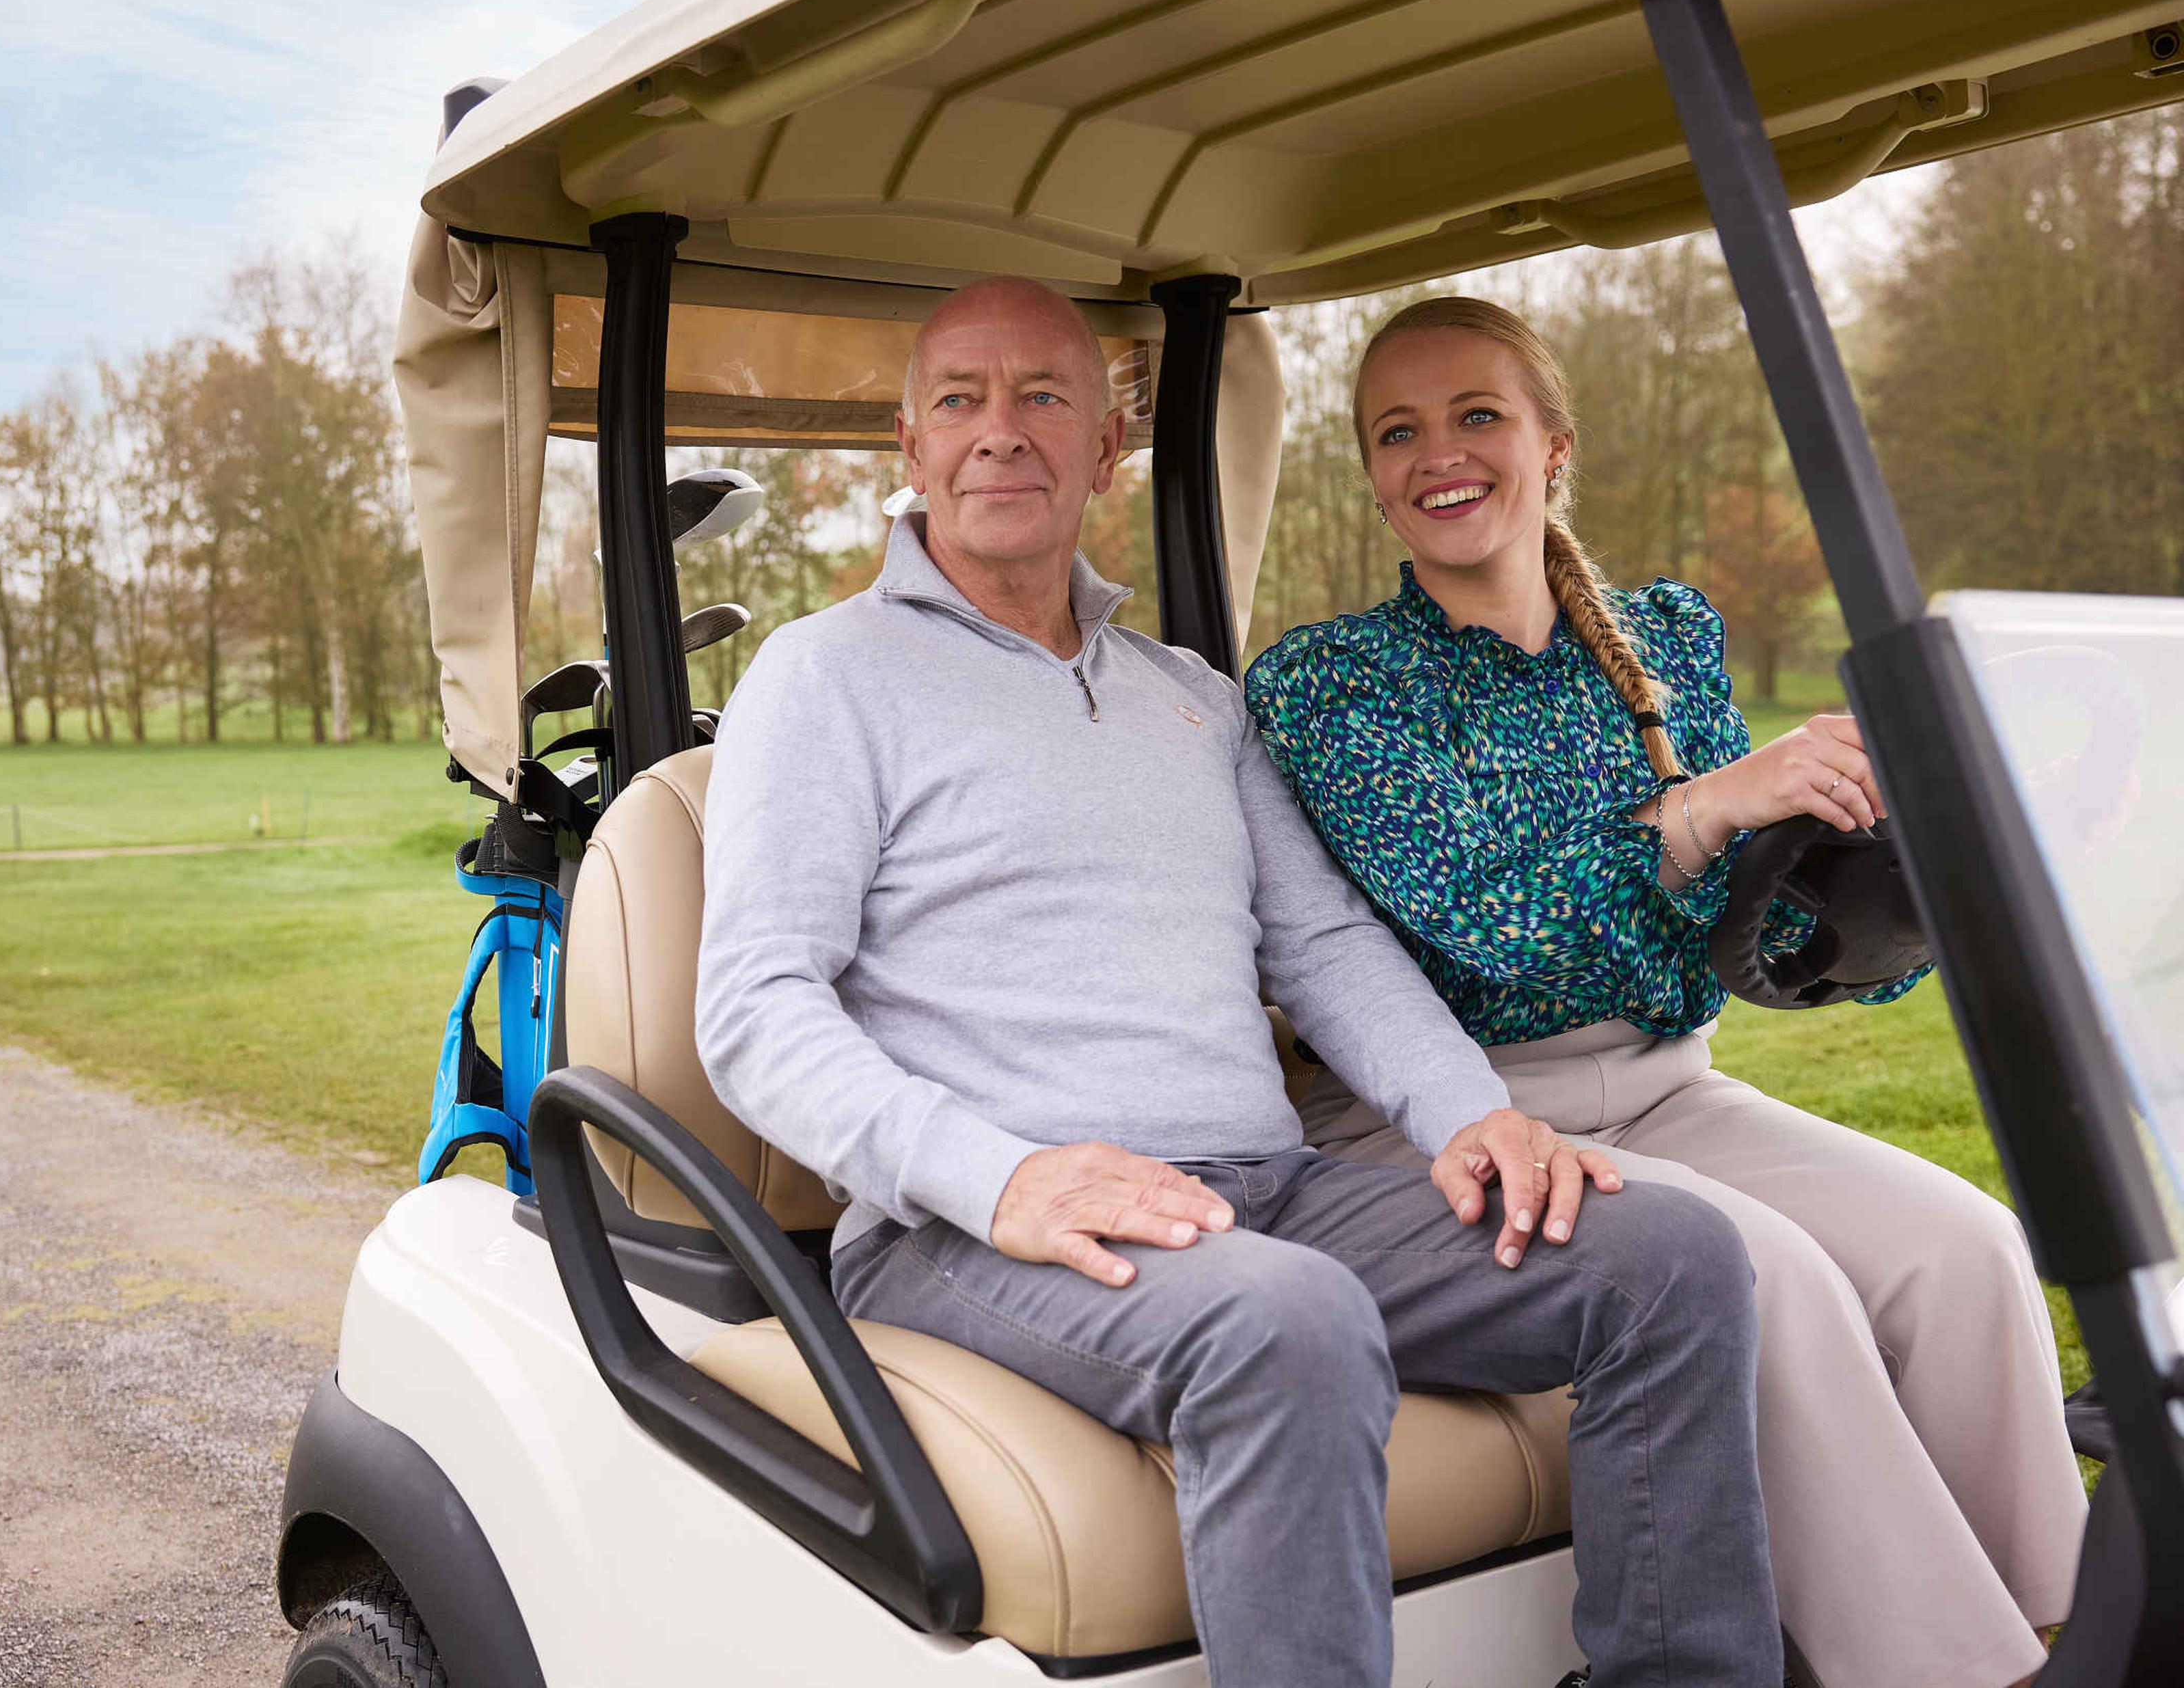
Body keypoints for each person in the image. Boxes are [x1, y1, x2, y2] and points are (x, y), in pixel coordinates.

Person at [696, 275, 1781, 1688]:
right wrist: (1003, 1178)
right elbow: (757, 1004)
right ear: (912, 446)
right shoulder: (824, 676)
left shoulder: (1191, 695)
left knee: (1671, 1259)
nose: (1000, 429)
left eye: (1043, 396)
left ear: (1106, 446)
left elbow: (1323, 946)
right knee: (1291, 1319)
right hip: (977, 1222)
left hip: (1261, 1188)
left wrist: (1474, 1118)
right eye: (960, 399)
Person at [1244, 295, 2089, 1688]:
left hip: (1663, 1085)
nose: (1438, 453)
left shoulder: (1669, 637)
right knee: (1777, 1282)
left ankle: (2060, 1627)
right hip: (1441, 1115)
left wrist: (1891, 862)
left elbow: (1749, 931)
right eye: (1397, 431)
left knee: (1965, 1246)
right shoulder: (1332, 683)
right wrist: (1705, 807)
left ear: (1553, 443)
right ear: (1375, 473)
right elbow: (1488, 918)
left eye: (1477, 415)